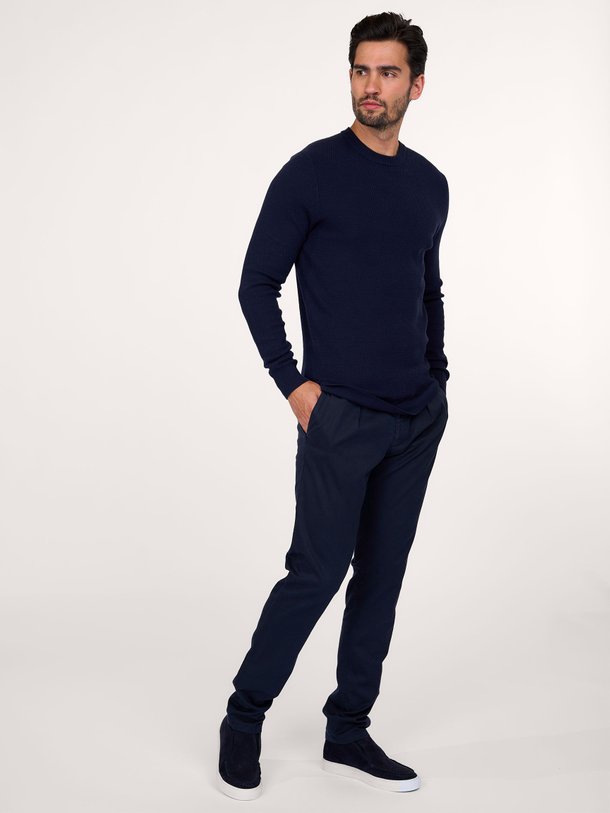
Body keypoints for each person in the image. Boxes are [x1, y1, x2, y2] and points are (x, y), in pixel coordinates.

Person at [218, 12, 450, 800]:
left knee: (381, 579)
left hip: (416, 418)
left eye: (388, 72)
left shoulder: (429, 184)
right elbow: (256, 284)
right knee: (316, 573)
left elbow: (428, 286)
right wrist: (295, 385)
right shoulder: (311, 173)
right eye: (361, 70)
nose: (371, 86)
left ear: (416, 85)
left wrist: (439, 378)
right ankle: (244, 716)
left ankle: (347, 729)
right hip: (339, 415)